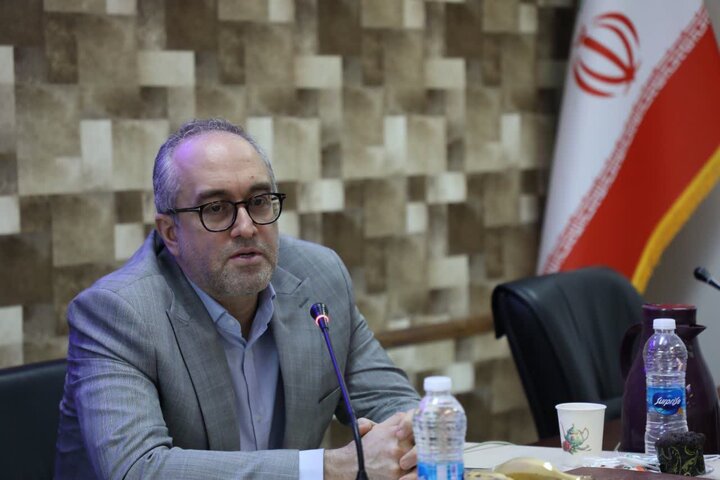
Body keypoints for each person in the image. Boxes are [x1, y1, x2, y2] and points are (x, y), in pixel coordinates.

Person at [54, 118, 421, 479]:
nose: (246, 227)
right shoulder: (117, 313)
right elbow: (138, 469)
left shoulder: (319, 277)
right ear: (171, 232)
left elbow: (390, 401)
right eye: (216, 208)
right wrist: (329, 467)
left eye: (259, 201)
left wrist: (417, 433)